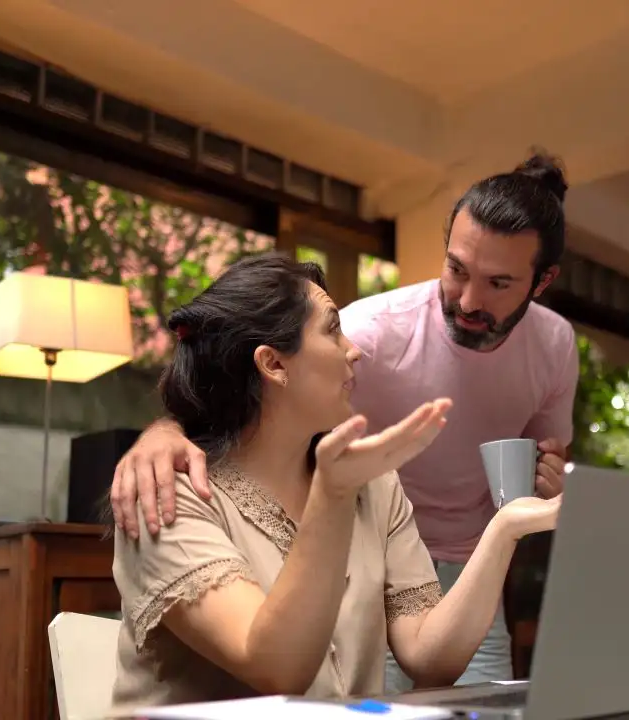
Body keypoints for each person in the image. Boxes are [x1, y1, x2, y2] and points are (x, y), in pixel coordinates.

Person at [111, 152, 580, 689]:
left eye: (498, 283)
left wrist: (506, 527)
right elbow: (279, 671)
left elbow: (429, 661)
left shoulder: (377, 489)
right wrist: (163, 431)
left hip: (446, 562)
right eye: (334, 331)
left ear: (541, 281)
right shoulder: (171, 498)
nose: (355, 350)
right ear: (274, 364)